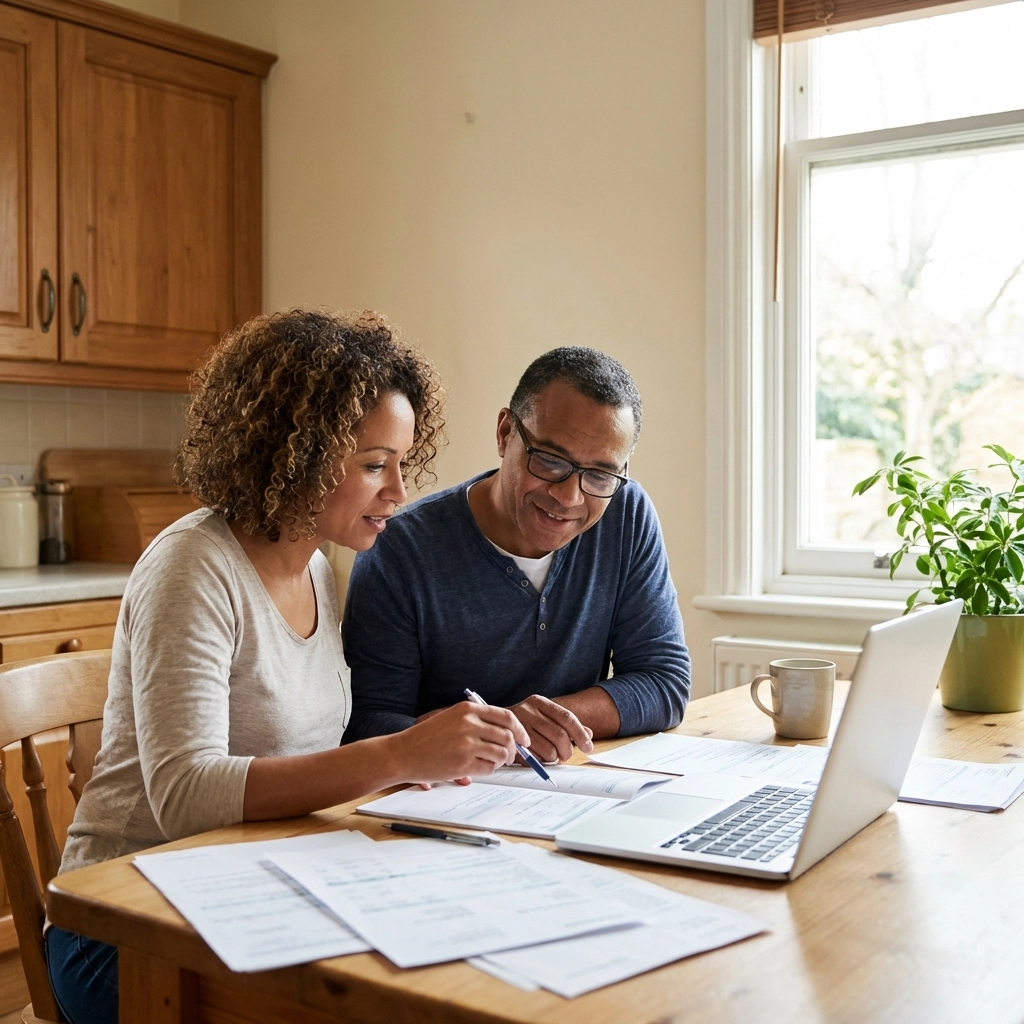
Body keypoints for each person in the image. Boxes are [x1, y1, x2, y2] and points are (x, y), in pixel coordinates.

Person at [46, 309, 530, 1024]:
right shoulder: (193, 568)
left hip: (257, 883)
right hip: (128, 919)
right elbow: (186, 793)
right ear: (293, 456)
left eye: (400, 463)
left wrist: (423, 750)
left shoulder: (318, 569)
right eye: (373, 465)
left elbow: (305, 755)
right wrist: (395, 753)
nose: (398, 491)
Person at [343, 346, 690, 764]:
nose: (568, 496)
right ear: (506, 433)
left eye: (598, 474)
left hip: (566, 789)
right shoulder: (400, 549)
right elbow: (366, 724)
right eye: (549, 459)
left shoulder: (625, 513)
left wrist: (520, 726)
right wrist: (508, 729)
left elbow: (664, 682)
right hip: (441, 801)